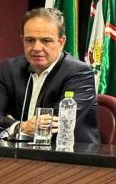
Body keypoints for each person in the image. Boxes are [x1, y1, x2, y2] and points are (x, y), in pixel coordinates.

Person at [0, 8, 99, 143]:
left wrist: (11, 124)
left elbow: (57, 124)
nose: (36, 48)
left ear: (61, 42)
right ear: (22, 39)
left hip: (68, 157)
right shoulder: (8, 70)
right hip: (18, 154)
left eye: (46, 41)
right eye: (30, 40)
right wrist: (21, 127)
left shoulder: (79, 73)